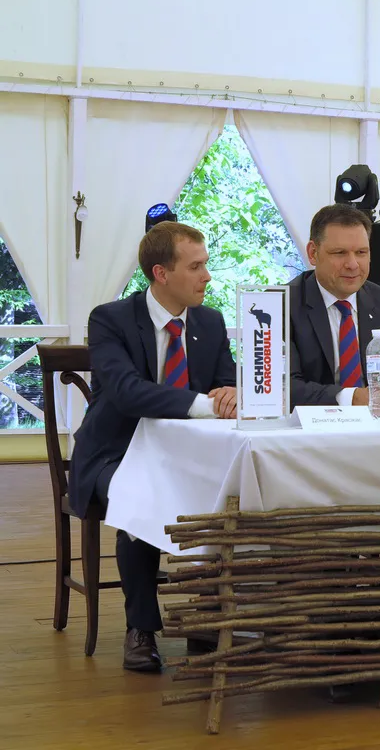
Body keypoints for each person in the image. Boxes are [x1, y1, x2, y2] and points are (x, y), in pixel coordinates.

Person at [68, 222, 237, 673]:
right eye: (196, 267)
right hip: (114, 452)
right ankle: (141, 628)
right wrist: (207, 404)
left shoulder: (210, 322)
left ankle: (207, 614)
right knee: (141, 490)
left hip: (188, 454)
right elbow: (126, 392)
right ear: (161, 273)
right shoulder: (111, 319)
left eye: (206, 264)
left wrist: (232, 393)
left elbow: (227, 382)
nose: (207, 276)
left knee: (233, 490)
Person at [288, 204, 380, 409]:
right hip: (309, 426)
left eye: (361, 252)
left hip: (379, 422)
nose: (352, 264)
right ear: (313, 253)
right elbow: (282, 387)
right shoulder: (282, 305)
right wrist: (351, 398)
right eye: (339, 253)